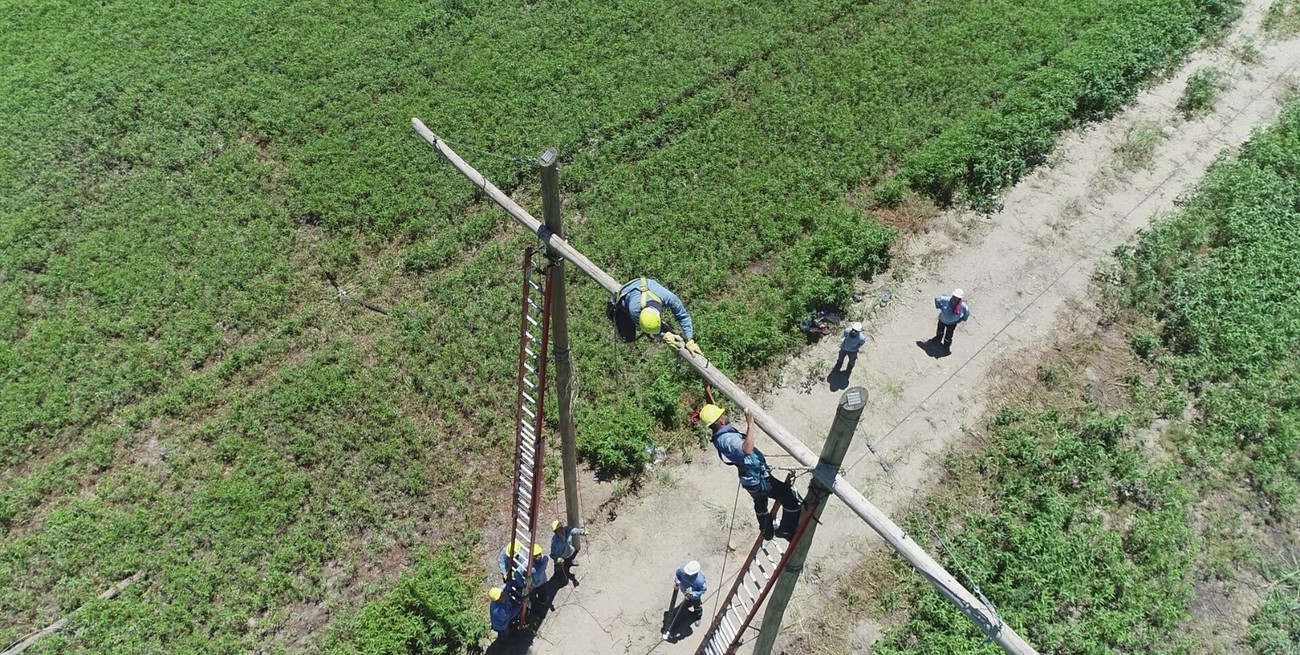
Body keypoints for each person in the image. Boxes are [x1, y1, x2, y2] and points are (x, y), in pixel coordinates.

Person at [700, 404, 802, 540]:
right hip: (759, 480)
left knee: (760, 502)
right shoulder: (729, 440)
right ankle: (785, 531)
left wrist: (708, 391)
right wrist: (750, 425)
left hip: (749, 480)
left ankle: (767, 531)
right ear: (721, 422)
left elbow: (713, 417)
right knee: (789, 498)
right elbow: (747, 450)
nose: (725, 415)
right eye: (722, 415)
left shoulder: (719, 435)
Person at [609, 277, 703, 356]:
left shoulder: (669, 298)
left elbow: (683, 316)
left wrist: (690, 339)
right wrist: (664, 335)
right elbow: (647, 328)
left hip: (647, 285)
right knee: (628, 337)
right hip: (627, 293)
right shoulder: (634, 311)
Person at [549, 519, 586, 586]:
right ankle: (564, 576)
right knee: (563, 572)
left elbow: (574, 530)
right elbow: (553, 554)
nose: (562, 531)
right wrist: (557, 559)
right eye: (559, 530)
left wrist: (582, 532)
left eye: (561, 528)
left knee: (570, 560)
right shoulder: (555, 543)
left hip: (570, 553)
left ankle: (571, 562)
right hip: (562, 558)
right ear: (556, 532)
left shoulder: (567, 530)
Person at [528, 543, 551, 609]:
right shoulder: (527, 564)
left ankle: (542, 604)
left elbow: (540, 571)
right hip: (533, 586)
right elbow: (518, 573)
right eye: (536, 555)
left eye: (539, 554)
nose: (538, 557)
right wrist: (525, 583)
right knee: (532, 600)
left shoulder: (544, 559)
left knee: (544, 597)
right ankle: (534, 608)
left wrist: (534, 577)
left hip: (542, 583)